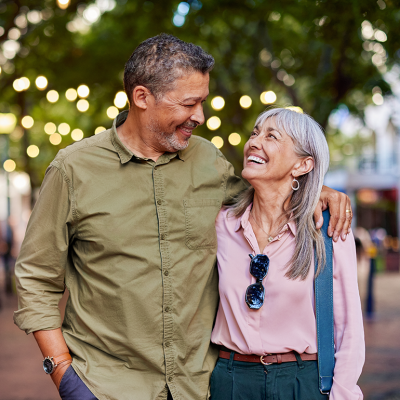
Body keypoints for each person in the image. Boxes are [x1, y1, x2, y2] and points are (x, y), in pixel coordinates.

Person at [13, 35, 352, 400]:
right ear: (142, 97)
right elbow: (36, 278)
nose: (200, 117)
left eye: (202, 102)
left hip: (199, 386)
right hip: (107, 386)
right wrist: (64, 374)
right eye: (190, 103)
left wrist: (316, 189)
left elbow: (267, 200)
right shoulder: (73, 170)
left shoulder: (208, 161)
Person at [210, 108, 364, 400]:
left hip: (302, 383)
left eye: (271, 136)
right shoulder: (222, 224)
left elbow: (349, 332)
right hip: (230, 382)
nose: (254, 141)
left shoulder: (327, 231)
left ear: (302, 165)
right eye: (255, 133)